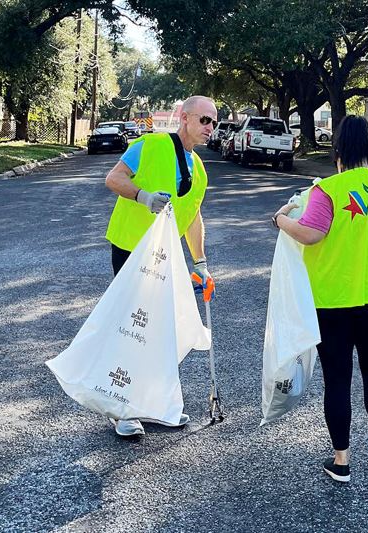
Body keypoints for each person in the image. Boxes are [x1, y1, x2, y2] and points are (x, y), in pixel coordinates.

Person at [272, 115, 368, 483]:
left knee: (338, 378)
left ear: (337, 154)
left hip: (334, 299)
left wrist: (281, 220)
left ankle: (342, 460)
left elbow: (311, 234)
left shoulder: (329, 190)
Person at [103, 95, 217, 437]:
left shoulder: (199, 169)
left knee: (159, 330)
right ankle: (121, 408)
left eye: (214, 122)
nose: (211, 127)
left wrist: (201, 263)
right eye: (204, 120)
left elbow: (193, 216)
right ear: (184, 118)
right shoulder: (149, 145)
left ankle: (152, 405)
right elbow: (114, 177)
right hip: (131, 249)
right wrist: (143, 197)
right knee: (132, 328)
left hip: (163, 257)